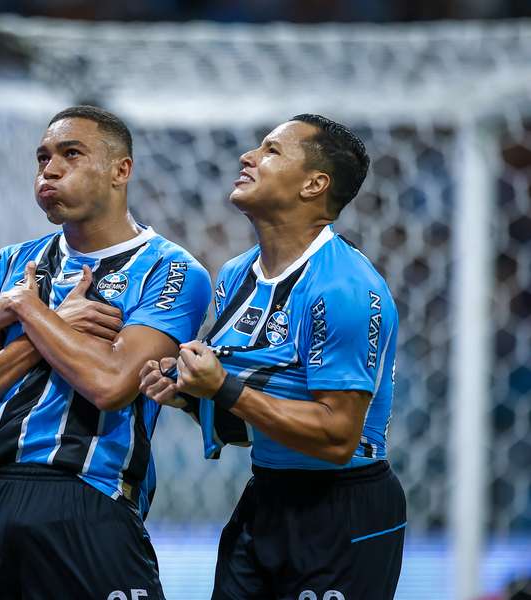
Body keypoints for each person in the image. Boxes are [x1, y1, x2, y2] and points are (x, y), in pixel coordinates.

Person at [0, 105, 211, 600]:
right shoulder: (3, 267)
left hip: (89, 495)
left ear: (121, 170)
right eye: (43, 157)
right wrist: (43, 327)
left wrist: (28, 312)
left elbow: (111, 385)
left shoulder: (172, 270)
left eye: (71, 154)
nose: (50, 168)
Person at [140, 114, 405, 600]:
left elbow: (336, 437)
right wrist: (185, 394)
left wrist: (222, 387)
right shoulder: (236, 275)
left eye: (271, 150)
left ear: (314, 184)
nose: (248, 157)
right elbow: (245, 424)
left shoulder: (343, 287)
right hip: (266, 496)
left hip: (343, 509)